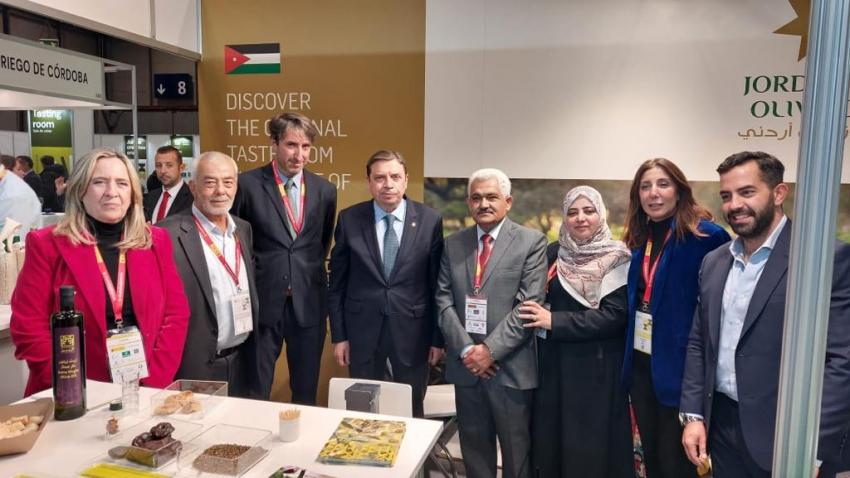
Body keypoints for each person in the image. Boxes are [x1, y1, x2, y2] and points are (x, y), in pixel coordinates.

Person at [680, 151, 850, 478]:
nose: (734, 205)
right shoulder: (714, 262)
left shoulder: (824, 258)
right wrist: (693, 415)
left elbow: (842, 360)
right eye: (726, 196)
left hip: (788, 436)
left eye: (747, 192)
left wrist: (812, 449)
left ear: (778, 193)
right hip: (722, 429)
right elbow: (699, 342)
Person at [10, 147, 190, 396]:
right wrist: (69, 385)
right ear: (80, 190)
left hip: (143, 388)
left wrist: (153, 385)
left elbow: (176, 314)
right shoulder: (46, 244)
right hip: (71, 393)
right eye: (99, 182)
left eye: (122, 183)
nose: (111, 192)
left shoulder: (155, 241)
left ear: (132, 193)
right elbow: (28, 327)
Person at [621, 158, 730, 478]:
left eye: (663, 184)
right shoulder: (639, 238)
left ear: (680, 191)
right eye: (645, 186)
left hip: (683, 373)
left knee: (679, 465)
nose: (653, 193)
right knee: (654, 461)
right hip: (643, 370)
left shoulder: (706, 236)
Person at [436, 168, 547, 478]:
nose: (483, 204)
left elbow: (528, 305)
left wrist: (489, 351)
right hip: (467, 369)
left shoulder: (531, 242)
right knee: (474, 455)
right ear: (469, 203)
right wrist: (468, 351)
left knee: (517, 457)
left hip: (510, 369)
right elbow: (443, 301)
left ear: (507, 202)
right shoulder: (453, 243)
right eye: (476, 198)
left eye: (491, 197)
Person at [524, 185, 634, 477]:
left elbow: (615, 317)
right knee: (552, 444)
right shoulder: (553, 253)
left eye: (589, 211)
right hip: (553, 367)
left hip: (595, 369)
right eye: (572, 212)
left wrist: (555, 321)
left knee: (588, 448)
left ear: (601, 214)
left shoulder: (617, 256)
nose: (580, 218)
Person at [231, 112, 337, 404]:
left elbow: (321, 244)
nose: (299, 155)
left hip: (309, 303)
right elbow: (237, 243)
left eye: (305, 147)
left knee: (305, 391)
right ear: (274, 144)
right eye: (291, 145)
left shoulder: (325, 190)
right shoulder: (247, 184)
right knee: (256, 392)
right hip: (262, 303)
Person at [328, 150, 444, 417]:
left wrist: (437, 339)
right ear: (369, 182)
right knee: (362, 408)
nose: (388, 184)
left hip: (414, 333)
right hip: (362, 332)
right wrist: (340, 336)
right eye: (380, 178)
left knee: (412, 408)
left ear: (406, 180)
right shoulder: (349, 219)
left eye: (395, 176)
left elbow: (437, 284)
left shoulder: (430, 220)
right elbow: (337, 283)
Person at [160, 151, 261, 398]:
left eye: (228, 182)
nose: (220, 191)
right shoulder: (167, 234)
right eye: (210, 182)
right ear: (193, 186)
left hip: (242, 361)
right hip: (196, 365)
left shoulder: (243, 229)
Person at [143, 146, 193, 223]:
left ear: (181, 168)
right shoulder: (150, 197)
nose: (163, 171)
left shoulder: (193, 199)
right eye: (158, 165)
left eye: (169, 165)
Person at [0, 155, 40, 242]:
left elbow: (17, 234)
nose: (23, 173)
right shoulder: (10, 192)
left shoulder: (14, 195)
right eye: (18, 169)